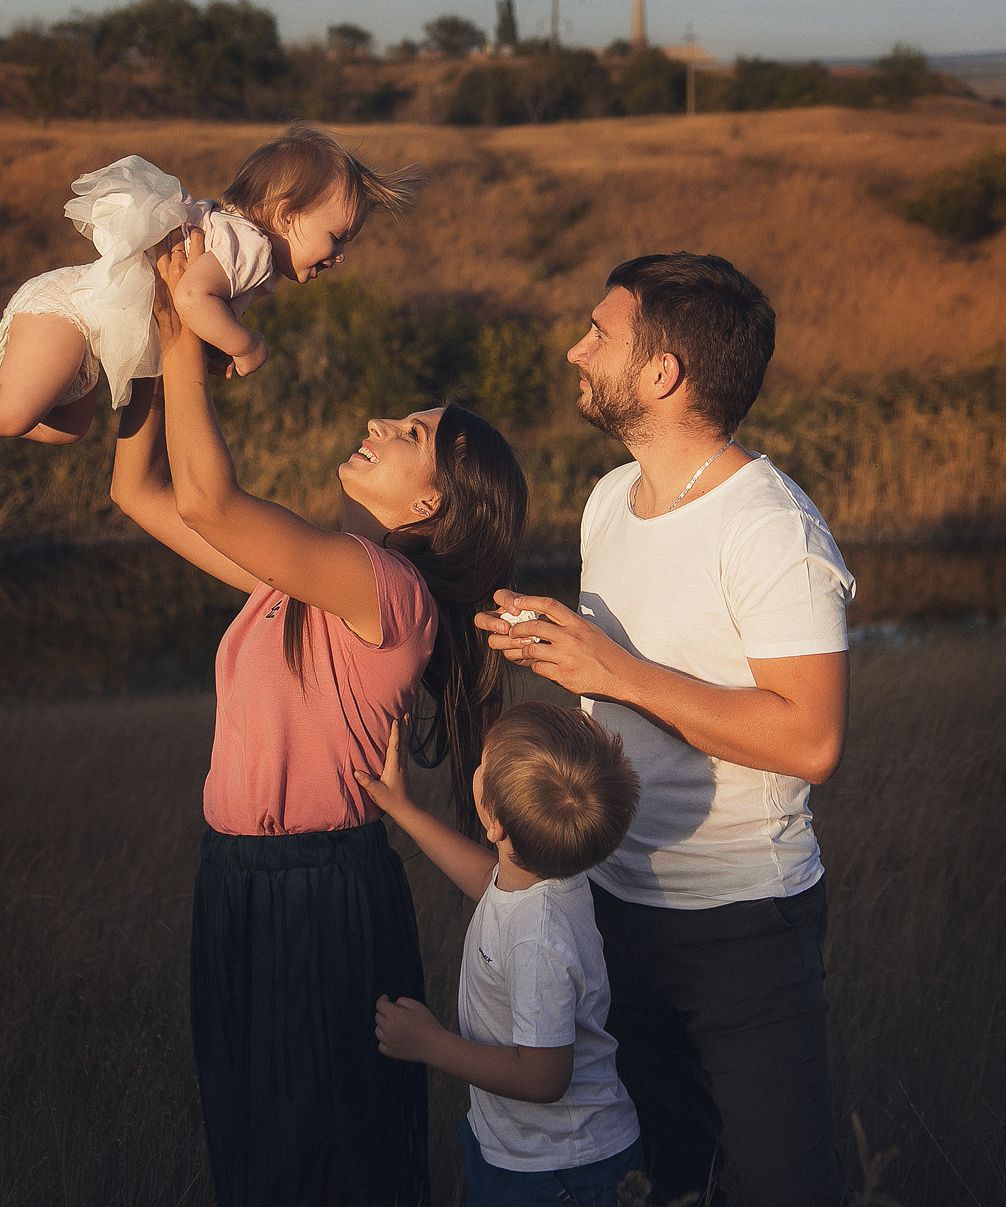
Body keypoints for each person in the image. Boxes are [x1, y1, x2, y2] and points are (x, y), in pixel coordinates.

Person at [106, 226, 527, 1207]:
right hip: (235, 883)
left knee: (321, 1169)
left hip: (316, 894)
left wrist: (185, 320)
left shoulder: (388, 589)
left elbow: (209, 500)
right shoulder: (302, 580)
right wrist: (146, 342)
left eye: (410, 433)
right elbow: (141, 491)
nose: (381, 423)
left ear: (433, 502)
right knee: (255, 1160)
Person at [478, 253, 856, 1207]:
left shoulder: (771, 528)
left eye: (598, 334)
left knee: (781, 1189)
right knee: (665, 1178)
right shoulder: (610, 498)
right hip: (608, 901)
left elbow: (811, 740)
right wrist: (559, 653)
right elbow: (627, 686)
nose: (576, 349)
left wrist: (617, 671)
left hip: (743, 926)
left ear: (662, 373)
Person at [0, 124, 419, 482]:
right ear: (286, 215)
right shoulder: (252, 249)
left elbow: (190, 306)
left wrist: (212, 346)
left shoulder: (235, 242)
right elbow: (191, 295)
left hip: (84, 341)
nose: (340, 256)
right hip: (70, 317)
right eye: (337, 237)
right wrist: (247, 345)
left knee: (66, 429)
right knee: (12, 413)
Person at [360, 702, 649, 1207]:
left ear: (494, 821)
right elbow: (488, 882)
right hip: (530, 1152)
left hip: (561, 1171)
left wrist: (430, 1043)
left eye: (483, 763)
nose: (477, 764)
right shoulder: (546, 879)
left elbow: (543, 1077)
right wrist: (405, 810)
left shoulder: (539, 940)